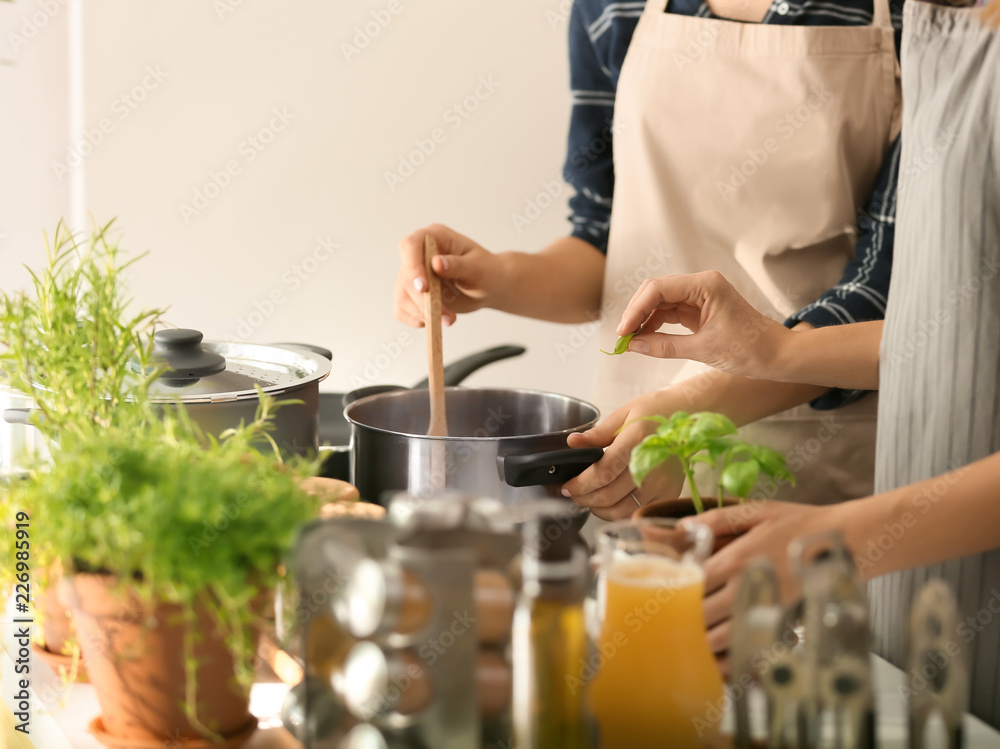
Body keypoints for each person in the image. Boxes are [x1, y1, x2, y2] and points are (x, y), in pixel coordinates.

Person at [609, 0, 1000, 723]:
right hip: (917, 596)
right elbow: (944, 327)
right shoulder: (952, 24)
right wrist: (772, 349)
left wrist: (836, 538)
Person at [395, 0, 905, 517]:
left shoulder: (914, 15)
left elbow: (888, 290)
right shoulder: (611, 8)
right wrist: (496, 278)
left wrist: (684, 412)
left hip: (822, 445)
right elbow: (603, 239)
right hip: (633, 445)